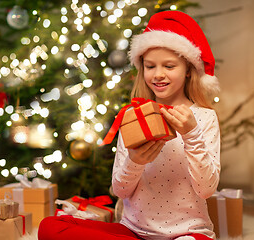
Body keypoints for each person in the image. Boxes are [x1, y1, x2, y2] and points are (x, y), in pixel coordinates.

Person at [38, 10, 220, 240]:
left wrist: (191, 135)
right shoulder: (134, 115)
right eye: (150, 66)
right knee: (50, 226)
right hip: (133, 233)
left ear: (187, 71)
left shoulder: (204, 118)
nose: (158, 75)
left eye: (169, 66)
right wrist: (134, 161)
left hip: (187, 234)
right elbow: (120, 190)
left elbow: (207, 189)